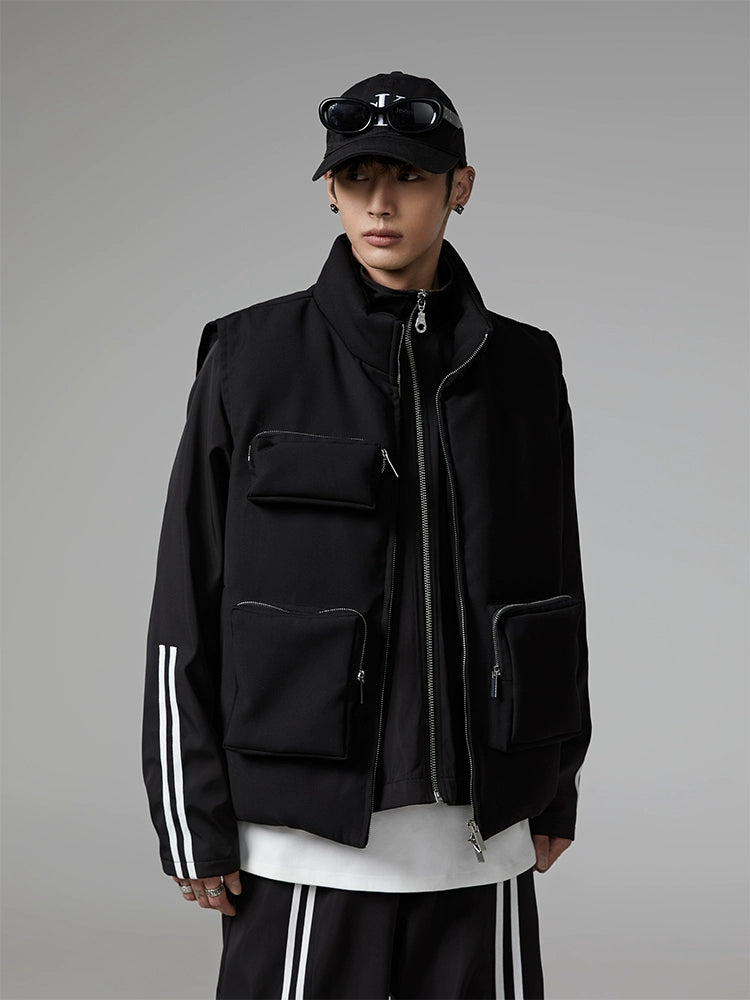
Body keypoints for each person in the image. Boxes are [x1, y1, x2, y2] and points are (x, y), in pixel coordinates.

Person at [142, 69, 592, 1000]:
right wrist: (191, 819)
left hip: (483, 837)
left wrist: (557, 784)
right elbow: (186, 597)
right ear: (332, 192)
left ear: (459, 187)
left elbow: (557, 588)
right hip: (304, 839)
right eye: (356, 178)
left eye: (409, 178)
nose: (379, 204)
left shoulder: (524, 367)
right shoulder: (249, 358)